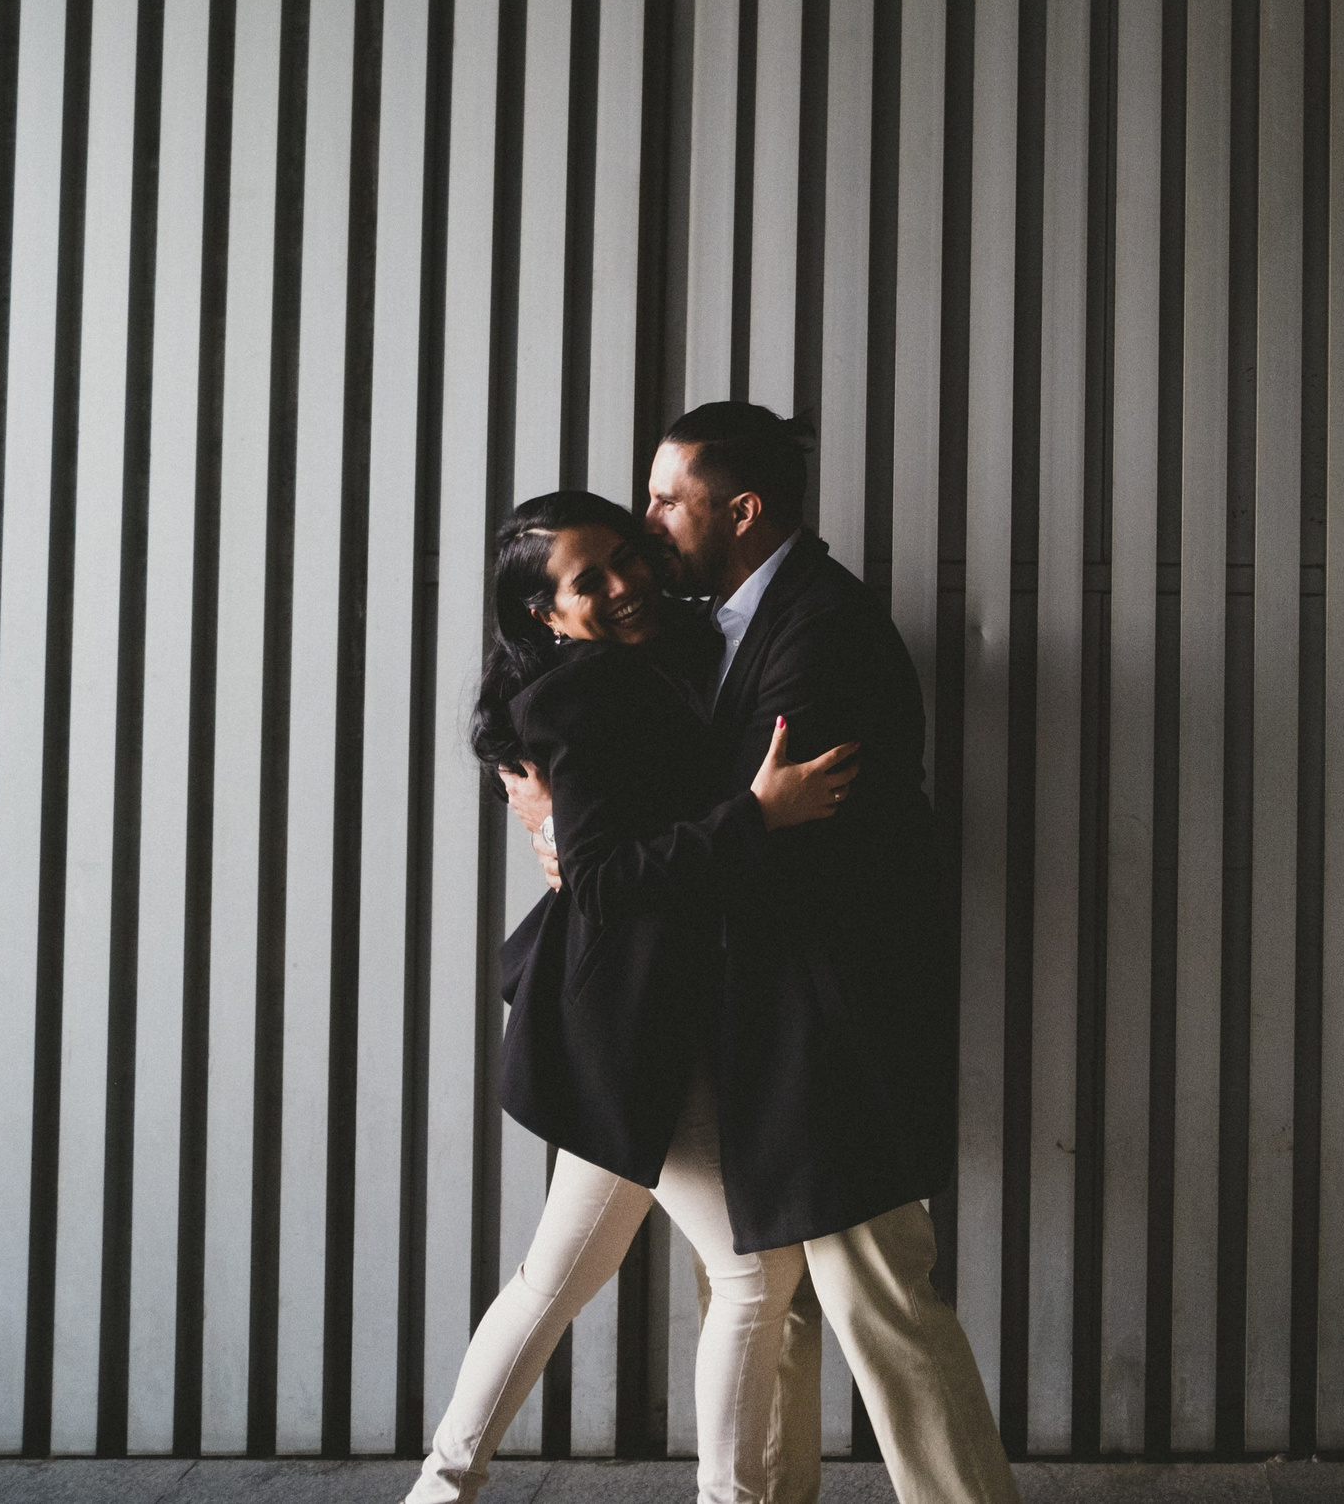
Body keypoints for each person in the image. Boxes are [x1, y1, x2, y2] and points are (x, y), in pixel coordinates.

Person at [518, 404, 1017, 1504]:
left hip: (830, 1023)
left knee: (880, 1297)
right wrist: (551, 804)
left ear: (739, 511)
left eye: (664, 499)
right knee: (775, 1300)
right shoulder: (716, 625)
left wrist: (613, 845)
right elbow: (635, 762)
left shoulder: (820, 627)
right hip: (763, 1021)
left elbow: (757, 828)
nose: (644, 520)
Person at [406, 491, 861, 1504]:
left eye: (626, 555)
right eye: (587, 580)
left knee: (556, 1277)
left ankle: (439, 1489)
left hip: (653, 1019)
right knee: (750, 1274)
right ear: (545, 613)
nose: (624, 583)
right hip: (629, 1024)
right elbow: (605, 881)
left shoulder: (667, 653)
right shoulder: (581, 697)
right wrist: (756, 814)